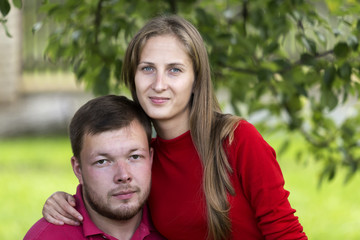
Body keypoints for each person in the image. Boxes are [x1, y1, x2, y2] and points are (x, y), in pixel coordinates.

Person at [41, 15, 308, 240]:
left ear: (196, 80)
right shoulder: (144, 159)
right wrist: (63, 200)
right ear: (133, 77)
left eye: (174, 70)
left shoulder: (237, 139)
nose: (158, 84)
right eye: (147, 69)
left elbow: (285, 232)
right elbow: (108, 192)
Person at [24, 95, 165, 240]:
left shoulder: (173, 225)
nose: (123, 175)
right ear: (78, 169)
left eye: (134, 157)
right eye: (103, 161)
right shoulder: (48, 237)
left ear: (150, 158)